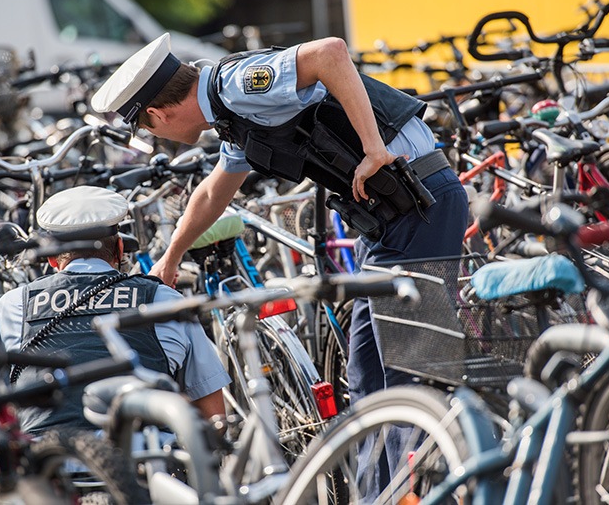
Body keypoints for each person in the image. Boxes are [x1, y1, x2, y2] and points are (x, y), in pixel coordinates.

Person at [92, 33, 468, 492]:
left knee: (412, 374)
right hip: (389, 222)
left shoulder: (236, 86)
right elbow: (212, 192)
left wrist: (373, 149)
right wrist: (170, 258)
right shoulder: (230, 114)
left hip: (419, 210)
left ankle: (428, 493)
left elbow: (329, 53)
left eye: (149, 130)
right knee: (368, 376)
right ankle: (379, 497)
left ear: (156, 114)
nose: (157, 138)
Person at [0, 185, 230, 434]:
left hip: (45, 465)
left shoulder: (13, 304)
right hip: (149, 463)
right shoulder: (164, 299)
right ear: (120, 249)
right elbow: (214, 414)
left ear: (51, 259)